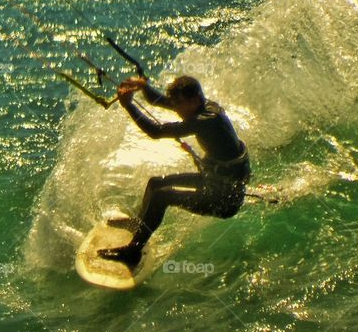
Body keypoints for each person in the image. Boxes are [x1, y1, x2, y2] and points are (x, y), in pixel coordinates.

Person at [97, 74, 250, 269]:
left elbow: (156, 131)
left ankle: (133, 252)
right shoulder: (200, 106)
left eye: (178, 104)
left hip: (224, 198)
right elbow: (158, 101)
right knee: (156, 183)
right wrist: (143, 86)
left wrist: (129, 106)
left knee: (162, 196)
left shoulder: (207, 119)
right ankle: (139, 225)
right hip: (212, 180)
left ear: (194, 99)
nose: (175, 109)